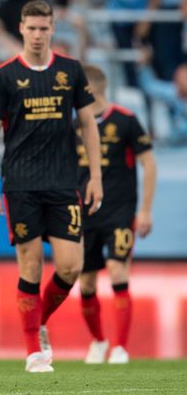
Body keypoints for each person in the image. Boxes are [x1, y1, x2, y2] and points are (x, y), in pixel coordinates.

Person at [0, 0, 103, 373]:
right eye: (30, 28)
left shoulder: (70, 71)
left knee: (70, 266)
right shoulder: (4, 76)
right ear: (21, 29)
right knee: (30, 265)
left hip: (64, 182)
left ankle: (40, 319)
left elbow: (88, 124)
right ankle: (34, 350)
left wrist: (95, 176)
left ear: (52, 29)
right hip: (20, 185)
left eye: (43, 28)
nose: (36, 35)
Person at [77, 65, 156, 365]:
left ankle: (121, 347)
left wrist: (145, 209)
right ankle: (98, 341)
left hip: (120, 211)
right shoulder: (74, 125)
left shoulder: (125, 120)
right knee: (85, 283)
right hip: (84, 214)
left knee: (117, 270)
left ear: (90, 90)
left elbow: (149, 163)